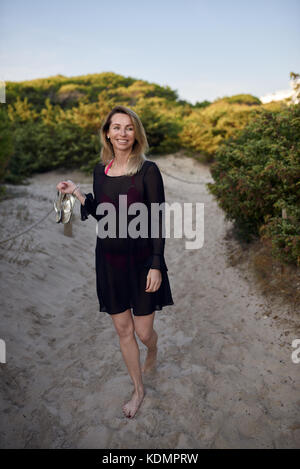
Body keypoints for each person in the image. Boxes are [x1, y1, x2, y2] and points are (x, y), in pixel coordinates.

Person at [56, 105, 174, 419]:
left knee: (144, 331)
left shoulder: (148, 171)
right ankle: (138, 390)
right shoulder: (100, 170)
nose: (122, 133)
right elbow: (101, 213)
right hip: (109, 262)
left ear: (137, 134)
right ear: (107, 132)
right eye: (116, 127)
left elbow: (157, 220)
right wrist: (77, 193)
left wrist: (156, 264)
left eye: (129, 128)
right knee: (124, 331)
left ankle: (153, 348)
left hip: (142, 263)